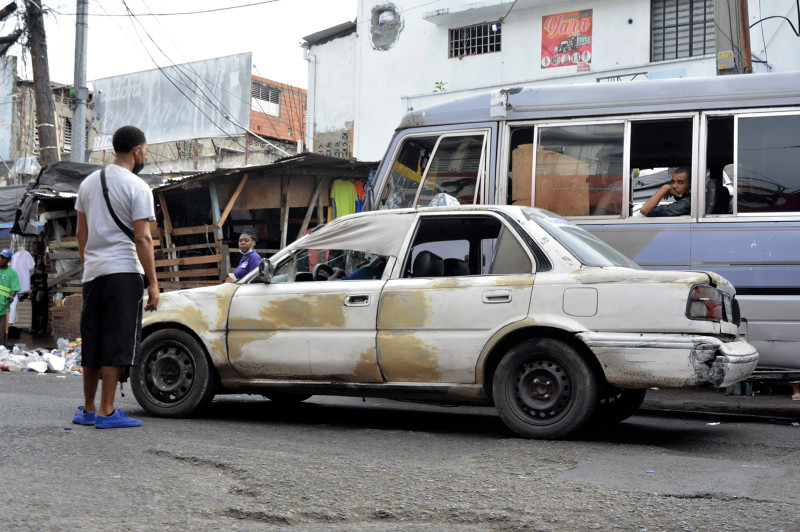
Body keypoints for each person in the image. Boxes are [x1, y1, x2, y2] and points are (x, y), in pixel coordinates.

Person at [73, 125, 159, 429]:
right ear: (136, 150)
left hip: (93, 274)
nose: (145, 154)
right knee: (115, 339)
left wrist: (91, 264)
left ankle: (88, 409)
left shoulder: (87, 184)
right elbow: (143, 238)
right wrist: (153, 283)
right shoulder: (138, 187)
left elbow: (81, 234)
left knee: (93, 339)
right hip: (123, 272)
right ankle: (107, 411)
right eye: (145, 150)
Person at [0, 248, 20, 348]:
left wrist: (11, 297)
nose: (1, 259)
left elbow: (14, 288)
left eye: (4, 258)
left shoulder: (12, 273)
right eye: (0, 257)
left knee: (1, 332)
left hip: (3, 306)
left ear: (9, 260)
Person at [29, 261, 49, 334]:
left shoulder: (46, 276)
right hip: (35, 296)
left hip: (44, 296)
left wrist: (41, 288)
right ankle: (34, 328)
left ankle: (43, 329)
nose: (40, 270)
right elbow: (29, 285)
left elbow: (49, 287)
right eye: (39, 269)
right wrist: (33, 288)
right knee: (35, 312)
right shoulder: (34, 276)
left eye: (41, 269)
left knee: (44, 313)